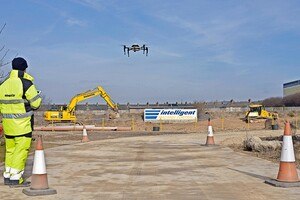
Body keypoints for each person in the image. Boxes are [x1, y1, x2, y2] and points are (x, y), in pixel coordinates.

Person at [0, 57, 42, 186]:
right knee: (21, 151)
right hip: (22, 125)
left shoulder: (3, 84)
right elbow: (36, 104)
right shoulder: (26, 83)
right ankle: (16, 178)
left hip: (8, 125)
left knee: (10, 151)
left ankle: (8, 175)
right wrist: (37, 95)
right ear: (24, 68)